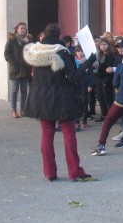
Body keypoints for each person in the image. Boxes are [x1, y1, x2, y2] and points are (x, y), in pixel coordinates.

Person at [23, 23, 96, 182]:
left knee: (46, 133)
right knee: (69, 132)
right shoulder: (62, 52)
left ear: (43, 35)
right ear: (59, 35)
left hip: (41, 96)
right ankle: (74, 171)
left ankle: (49, 172)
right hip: (62, 96)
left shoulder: (34, 52)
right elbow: (73, 77)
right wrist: (88, 62)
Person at [4, 21, 32, 118]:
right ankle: (14, 110)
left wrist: (29, 62)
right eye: (21, 28)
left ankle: (23, 109)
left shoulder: (29, 41)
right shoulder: (12, 40)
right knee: (14, 90)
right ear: (17, 30)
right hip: (15, 69)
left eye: (24, 28)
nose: (23, 30)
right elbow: (7, 53)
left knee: (24, 90)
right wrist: (13, 62)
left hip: (25, 69)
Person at [93, 38, 116, 122]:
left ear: (108, 45)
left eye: (104, 44)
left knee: (107, 98)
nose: (103, 46)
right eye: (101, 45)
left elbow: (109, 67)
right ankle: (104, 115)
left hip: (107, 78)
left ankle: (110, 117)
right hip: (99, 78)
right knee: (99, 96)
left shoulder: (110, 55)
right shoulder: (100, 54)